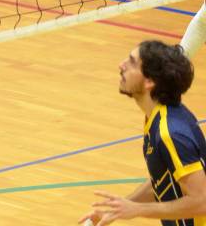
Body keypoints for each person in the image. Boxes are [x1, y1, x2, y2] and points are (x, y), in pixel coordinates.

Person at [80, 41, 206, 225]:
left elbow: (202, 201)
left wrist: (137, 210)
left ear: (149, 81)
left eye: (131, 62)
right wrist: (119, 208)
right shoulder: (158, 117)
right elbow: (163, 179)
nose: (121, 65)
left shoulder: (170, 132)